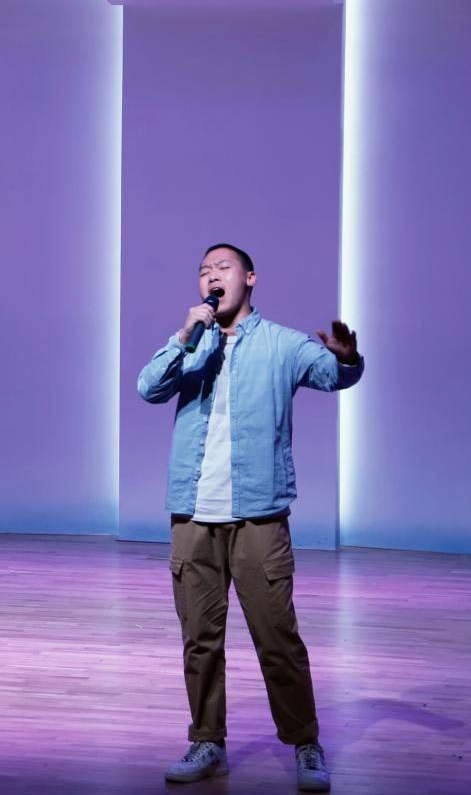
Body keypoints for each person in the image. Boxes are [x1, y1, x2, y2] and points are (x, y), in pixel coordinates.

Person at [138, 244, 362, 792]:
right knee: (200, 638)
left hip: (258, 515)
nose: (211, 277)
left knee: (277, 636)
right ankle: (207, 741)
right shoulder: (191, 345)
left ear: (251, 278)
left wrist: (347, 358)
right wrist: (185, 336)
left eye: (223, 268)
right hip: (194, 515)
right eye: (204, 271)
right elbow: (149, 388)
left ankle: (305, 742)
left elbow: (334, 375)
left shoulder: (282, 344)